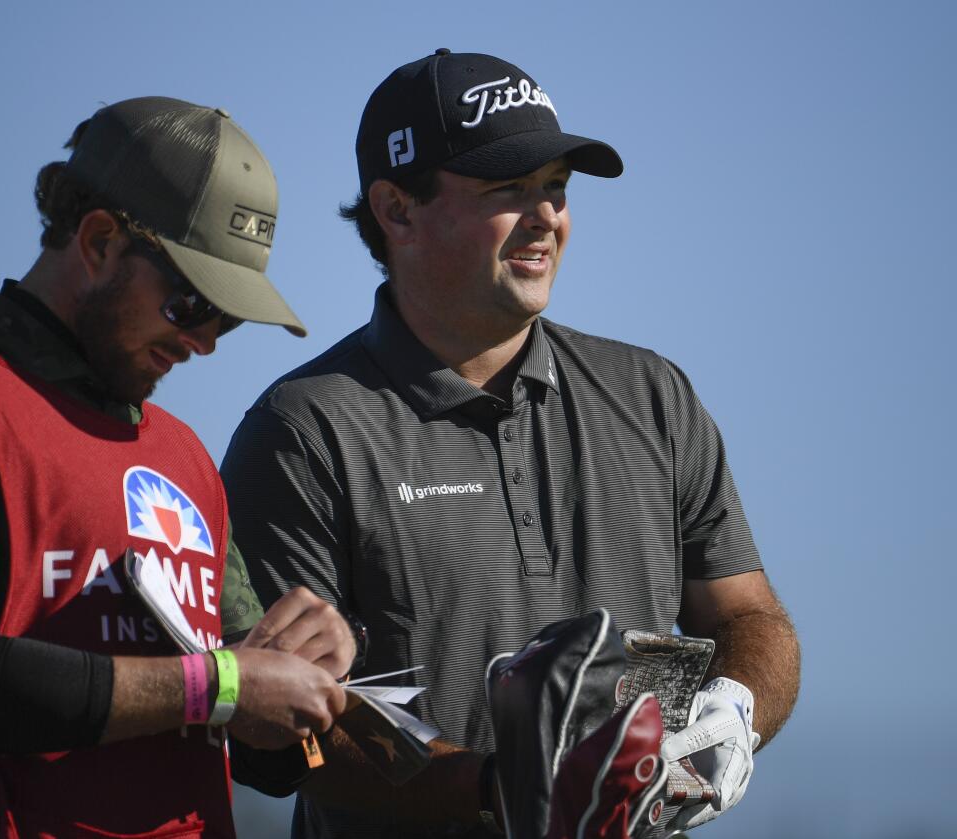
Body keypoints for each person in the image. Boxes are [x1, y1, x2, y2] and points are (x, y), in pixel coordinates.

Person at [220, 50, 801, 837]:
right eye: (509, 190)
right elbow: (292, 723)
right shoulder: (303, 430)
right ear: (395, 210)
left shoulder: (653, 395)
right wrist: (506, 789)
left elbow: (750, 618)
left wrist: (732, 712)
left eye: (556, 188)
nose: (547, 216)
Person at [0, 96, 354, 839]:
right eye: (191, 302)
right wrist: (221, 683)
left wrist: (309, 683)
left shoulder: (183, 454)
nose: (206, 343)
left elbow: (262, 749)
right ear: (99, 241)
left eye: (226, 318)